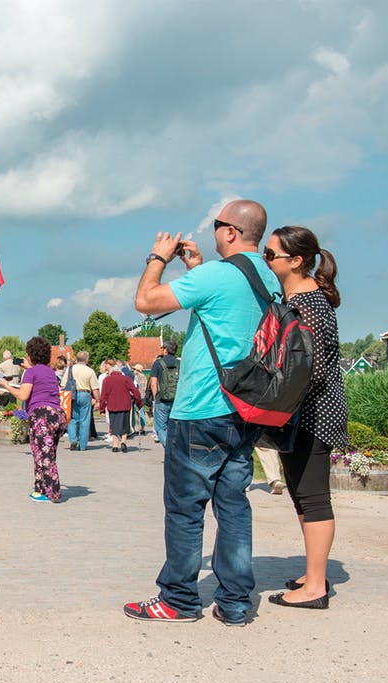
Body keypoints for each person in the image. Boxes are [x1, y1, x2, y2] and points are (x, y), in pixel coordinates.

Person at [124, 199, 280, 627]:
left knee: (185, 508)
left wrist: (158, 256)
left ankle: (177, 599)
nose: (213, 232)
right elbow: (225, 315)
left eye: (217, 225)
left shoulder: (218, 274)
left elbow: (145, 301)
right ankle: (234, 604)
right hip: (244, 408)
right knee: (233, 505)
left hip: (200, 409)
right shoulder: (269, 279)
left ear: (230, 232)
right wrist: (195, 267)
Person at [262, 226, 348, 610]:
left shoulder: (308, 304)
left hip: (312, 412)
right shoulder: (302, 297)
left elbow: (304, 367)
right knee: (301, 494)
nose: (266, 260)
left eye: (271, 255)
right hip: (304, 411)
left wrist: (268, 395)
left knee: (313, 499)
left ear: (295, 261)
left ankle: (315, 586)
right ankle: (314, 572)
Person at [0, 336, 67, 502]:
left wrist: (6, 386)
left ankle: (53, 492)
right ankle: (40, 489)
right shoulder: (49, 371)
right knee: (48, 453)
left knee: (42, 455)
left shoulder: (30, 373)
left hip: (41, 415)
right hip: (57, 414)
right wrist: (29, 367)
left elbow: (23, 395)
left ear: (30, 354)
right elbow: (40, 379)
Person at [99, 364, 141, 453]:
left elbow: (103, 396)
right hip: (125, 405)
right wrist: (139, 403)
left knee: (114, 425)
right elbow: (135, 391)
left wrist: (102, 408)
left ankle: (115, 444)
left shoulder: (107, 380)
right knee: (125, 424)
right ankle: (123, 441)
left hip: (112, 406)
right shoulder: (126, 379)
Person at [65, 351, 99, 451]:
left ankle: (73, 440)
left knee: (71, 419)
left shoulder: (69, 369)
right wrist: (98, 400)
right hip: (85, 394)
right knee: (84, 420)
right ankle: (83, 445)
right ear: (86, 359)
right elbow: (95, 389)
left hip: (71, 394)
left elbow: (63, 385)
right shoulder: (90, 371)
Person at [148, 340, 179, 445]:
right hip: (177, 400)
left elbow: (153, 382)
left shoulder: (158, 363)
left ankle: (170, 450)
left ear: (165, 350)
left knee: (160, 428)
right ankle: (176, 448)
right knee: (175, 427)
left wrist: (155, 396)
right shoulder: (180, 363)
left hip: (161, 400)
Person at [131, 363, 149, 436]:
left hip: (137, 396)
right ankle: (142, 427)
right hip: (143, 396)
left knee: (135, 413)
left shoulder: (137, 377)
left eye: (134, 369)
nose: (133, 371)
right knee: (141, 412)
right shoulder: (144, 377)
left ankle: (134, 427)